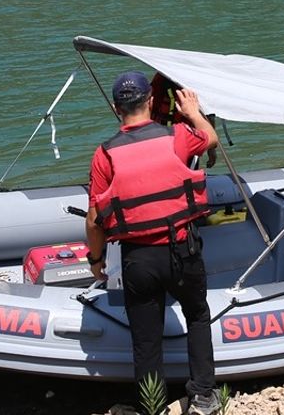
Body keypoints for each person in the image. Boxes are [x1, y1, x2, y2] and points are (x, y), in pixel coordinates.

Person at [86, 71, 221, 415]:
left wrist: (96, 259)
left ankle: (152, 407)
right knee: (197, 316)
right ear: (150, 101)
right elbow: (211, 139)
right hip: (182, 251)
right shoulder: (178, 136)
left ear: (117, 108)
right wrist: (192, 112)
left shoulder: (105, 155)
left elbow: (94, 219)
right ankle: (204, 397)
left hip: (139, 260)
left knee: (146, 339)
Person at [150, 72, 217, 168]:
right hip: (167, 138)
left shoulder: (161, 79)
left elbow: (208, 112)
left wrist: (211, 150)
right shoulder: (160, 80)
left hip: (173, 138)